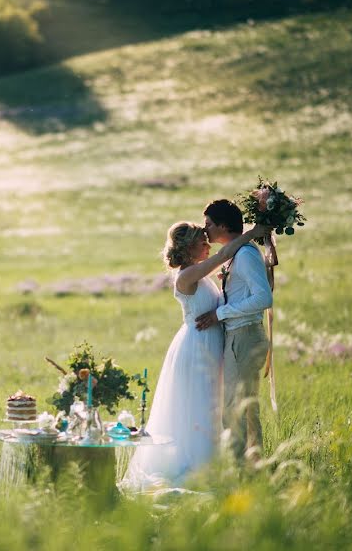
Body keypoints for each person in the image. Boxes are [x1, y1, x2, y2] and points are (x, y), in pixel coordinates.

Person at [120, 220, 270, 492]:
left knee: (217, 406)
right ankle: (198, 471)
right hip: (195, 347)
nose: (208, 245)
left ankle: (222, 467)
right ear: (188, 248)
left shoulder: (203, 275)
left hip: (213, 344)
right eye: (202, 242)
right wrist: (252, 233)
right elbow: (224, 255)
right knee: (199, 406)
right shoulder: (186, 276)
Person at [196, 199, 273, 465]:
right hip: (241, 337)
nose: (204, 230)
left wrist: (220, 313)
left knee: (234, 409)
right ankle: (252, 468)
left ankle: (238, 471)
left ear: (223, 225)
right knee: (246, 409)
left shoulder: (246, 255)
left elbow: (264, 298)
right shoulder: (238, 255)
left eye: (208, 224)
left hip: (244, 337)